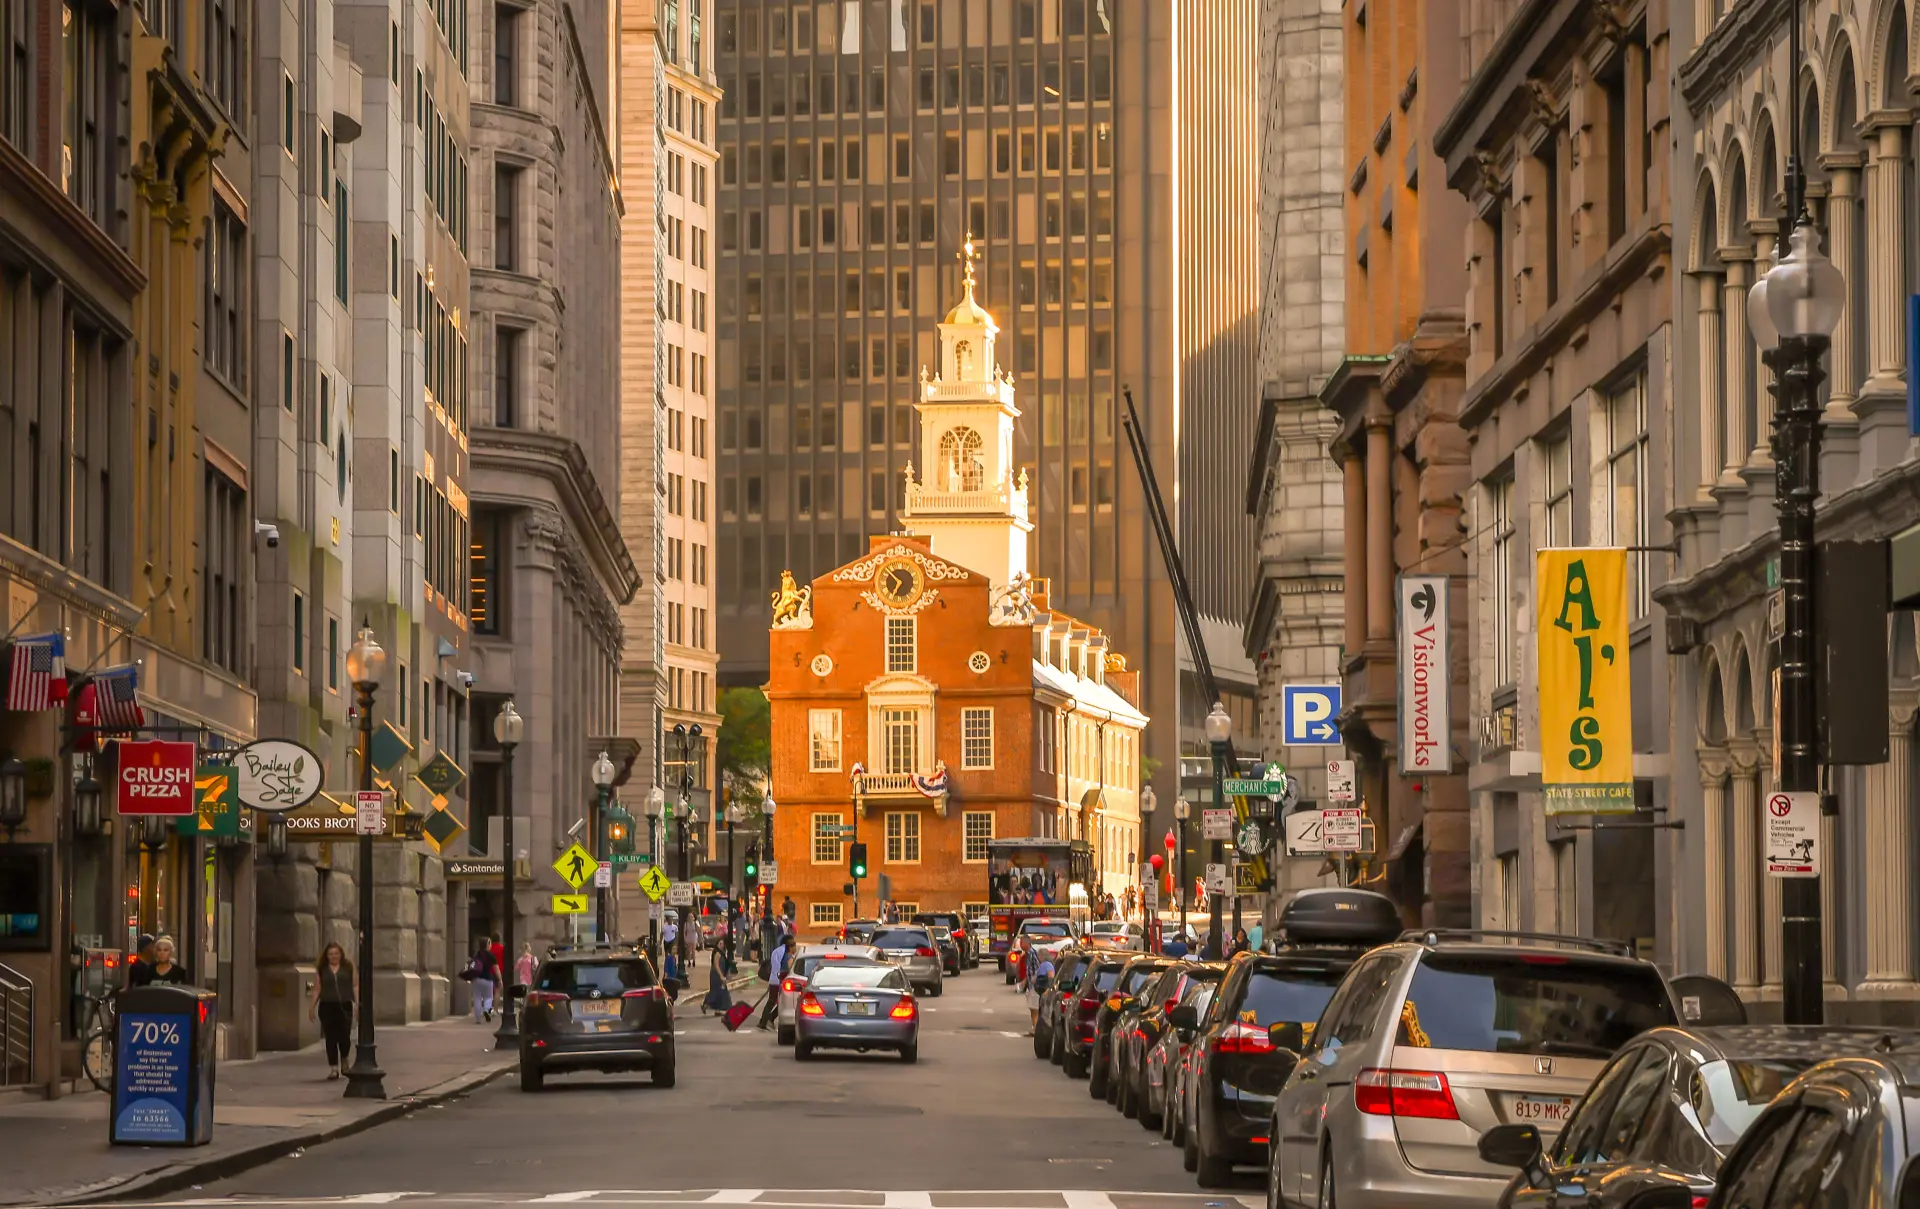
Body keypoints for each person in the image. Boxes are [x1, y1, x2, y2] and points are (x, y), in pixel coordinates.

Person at [307, 942, 355, 1079]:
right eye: (330, 954)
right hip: (327, 1006)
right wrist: (312, 1007)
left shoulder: (348, 967)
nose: (333, 956)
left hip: (344, 1005)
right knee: (331, 1038)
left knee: (344, 1036)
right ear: (326, 956)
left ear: (340, 954)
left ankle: (344, 1059)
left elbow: (355, 985)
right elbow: (317, 989)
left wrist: (357, 1004)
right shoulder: (322, 969)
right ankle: (334, 1068)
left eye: (336, 953)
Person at [757, 933, 789, 1030]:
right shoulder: (782, 952)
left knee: (775, 1001)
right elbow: (777, 968)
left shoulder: (778, 951)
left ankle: (766, 1020)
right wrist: (778, 980)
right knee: (772, 1001)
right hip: (777, 980)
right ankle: (764, 1021)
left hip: (775, 980)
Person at [1026, 945, 1058, 1031]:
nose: (1038, 957)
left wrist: (1048, 989)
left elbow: (1051, 977)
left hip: (1044, 991)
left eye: (1039, 955)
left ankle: (1038, 1029)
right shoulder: (1043, 965)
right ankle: (1037, 1028)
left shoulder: (1047, 965)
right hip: (1040, 990)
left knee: (1041, 1011)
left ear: (1042, 956)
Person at [468, 941, 498, 1023]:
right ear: (487, 945)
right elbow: (496, 969)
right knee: (488, 997)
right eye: (490, 943)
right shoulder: (491, 956)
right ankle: (486, 1009)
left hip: (476, 979)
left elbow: (471, 966)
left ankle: (478, 1019)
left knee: (477, 998)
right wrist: (500, 979)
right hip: (488, 979)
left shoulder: (476, 955)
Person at [701, 947, 734, 1015]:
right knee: (717, 991)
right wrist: (721, 976)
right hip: (716, 975)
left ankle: (717, 1010)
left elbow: (726, 965)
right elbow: (716, 965)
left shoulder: (723, 954)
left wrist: (727, 975)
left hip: (721, 974)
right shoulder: (717, 954)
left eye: (723, 944)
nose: (721, 946)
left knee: (721, 992)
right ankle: (706, 1004)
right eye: (720, 944)